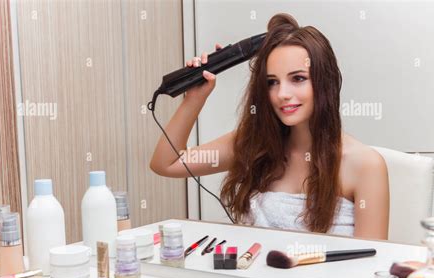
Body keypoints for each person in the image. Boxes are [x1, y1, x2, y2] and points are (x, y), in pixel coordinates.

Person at [150, 13, 389, 240]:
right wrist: (194, 99)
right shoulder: (252, 144)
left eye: (298, 79)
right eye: (272, 82)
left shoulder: (365, 164)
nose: (282, 94)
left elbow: (372, 266)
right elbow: (166, 164)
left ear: (324, 82)